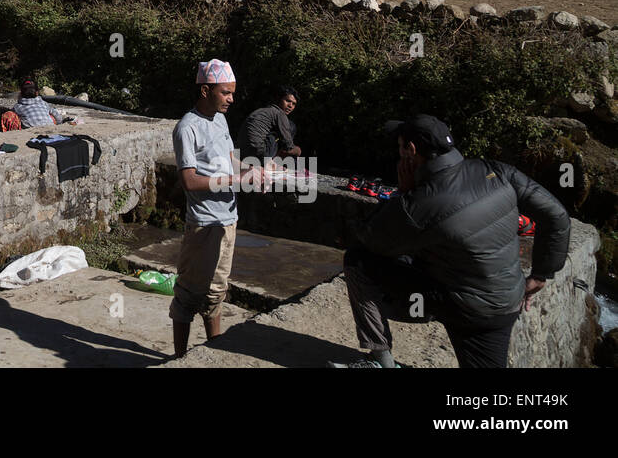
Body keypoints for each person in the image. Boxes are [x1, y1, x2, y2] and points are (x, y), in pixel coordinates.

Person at [331, 115, 570, 369]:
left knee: (358, 260)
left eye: (400, 146)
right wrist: (542, 273)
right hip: (508, 299)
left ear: (411, 150)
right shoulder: (496, 170)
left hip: (465, 308)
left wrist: (403, 193)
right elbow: (557, 216)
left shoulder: (419, 204)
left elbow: (371, 240)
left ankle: (382, 363)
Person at [170, 59, 266, 358]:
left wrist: (256, 171)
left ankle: (215, 352)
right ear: (205, 90)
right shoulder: (187, 128)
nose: (231, 99)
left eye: (232, 92)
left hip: (228, 219)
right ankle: (178, 358)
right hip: (204, 224)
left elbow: (229, 161)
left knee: (216, 292)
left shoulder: (220, 120)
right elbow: (189, 180)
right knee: (188, 294)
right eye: (225, 92)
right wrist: (236, 179)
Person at [242, 85, 301, 161]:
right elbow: (289, 146)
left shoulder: (264, 110)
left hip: (242, 152)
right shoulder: (279, 114)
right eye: (288, 101)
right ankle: (274, 161)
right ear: (279, 99)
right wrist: (298, 151)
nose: (290, 106)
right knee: (291, 127)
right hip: (258, 154)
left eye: (293, 104)